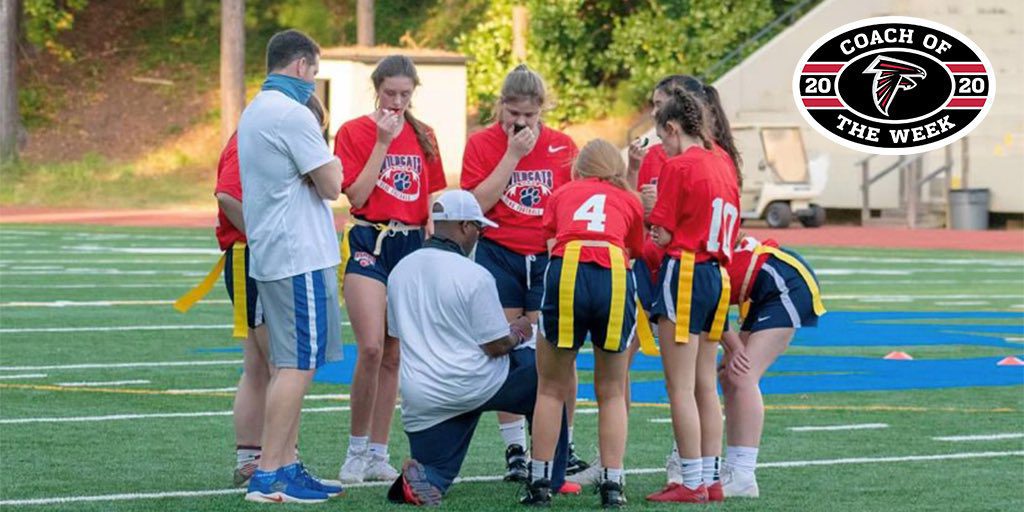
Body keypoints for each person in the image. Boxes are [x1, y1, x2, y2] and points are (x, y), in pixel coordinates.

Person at [383, 190, 569, 506]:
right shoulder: (473, 274)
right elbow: (495, 346)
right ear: (465, 226)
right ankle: (548, 476)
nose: (479, 237)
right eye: (479, 230)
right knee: (546, 382)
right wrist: (520, 332)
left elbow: (398, 333)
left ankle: (422, 478)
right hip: (475, 382)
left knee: (436, 473)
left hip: (422, 396)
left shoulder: (400, 271)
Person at [460, 64, 585, 481]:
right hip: (501, 252)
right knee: (509, 351)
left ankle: (560, 445)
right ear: (501, 106)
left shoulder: (562, 145)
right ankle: (515, 447)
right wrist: (512, 154)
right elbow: (476, 203)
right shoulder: (482, 143)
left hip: (547, 255)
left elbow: (573, 199)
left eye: (530, 116)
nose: (521, 123)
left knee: (556, 354)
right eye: (513, 114)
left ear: (542, 110)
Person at [238, 29, 345, 504]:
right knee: (298, 366)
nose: (313, 81)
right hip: (298, 254)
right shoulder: (291, 113)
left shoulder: (255, 108)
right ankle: (268, 473)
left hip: (275, 253)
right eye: (314, 71)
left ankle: (284, 464)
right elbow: (332, 185)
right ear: (301, 65)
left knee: (288, 363)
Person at [334, 55, 447, 483]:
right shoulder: (354, 132)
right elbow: (357, 195)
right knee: (370, 348)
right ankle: (355, 448)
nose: (397, 102)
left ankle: (379, 452)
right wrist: (382, 142)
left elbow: (432, 200)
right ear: (376, 89)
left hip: (411, 243)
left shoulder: (425, 135)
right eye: (390, 93)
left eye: (405, 94)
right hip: (369, 238)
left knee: (394, 352)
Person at [521, 139, 645, 508]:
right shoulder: (629, 199)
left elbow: (549, 236)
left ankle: (540, 481)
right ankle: (612, 483)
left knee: (550, 388)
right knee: (611, 390)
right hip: (614, 273)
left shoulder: (563, 193)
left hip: (569, 269)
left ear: (579, 169)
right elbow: (635, 248)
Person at [214, 95, 328, 488]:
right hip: (256, 257)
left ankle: (257, 457)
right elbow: (228, 194)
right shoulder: (254, 139)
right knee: (284, 363)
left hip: (257, 256)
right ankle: (276, 461)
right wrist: (265, 236)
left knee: (262, 363)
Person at [644, 87, 740, 504]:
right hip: (718, 275)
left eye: (662, 136)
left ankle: (691, 480)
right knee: (704, 383)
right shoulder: (723, 163)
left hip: (685, 269)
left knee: (680, 386)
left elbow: (663, 233)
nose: (661, 146)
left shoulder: (679, 166)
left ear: (671, 127)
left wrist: (650, 212)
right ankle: (710, 477)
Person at [718, 235, 826, 498]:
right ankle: (733, 467)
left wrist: (736, 348)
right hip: (762, 290)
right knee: (728, 376)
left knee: (742, 375)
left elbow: (709, 312)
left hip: (786, 285)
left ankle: (743, 474)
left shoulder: (688, 265)